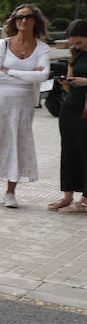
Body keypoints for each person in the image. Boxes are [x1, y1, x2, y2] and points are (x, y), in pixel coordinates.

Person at [0, 4, 51, 208]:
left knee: (17, 142)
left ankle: (10, 192)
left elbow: (43, 76)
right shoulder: (2, 44)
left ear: (36, 21)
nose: (23, 21)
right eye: (19, 17)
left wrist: (10, 72)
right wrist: (28, 76)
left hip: (23, 104)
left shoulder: (42, 48)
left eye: (28, 17)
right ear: (14, 21)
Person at [48, 19, 87, 213]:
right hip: (71, 109)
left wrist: (85, 81)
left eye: (79, 42)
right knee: (69, 151)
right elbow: (71, 85)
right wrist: (67, 83)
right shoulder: (76, 54)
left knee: (85, 152)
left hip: (86, 110)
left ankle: (85, 200)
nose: (75, 46)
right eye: (72, 43)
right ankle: (67, 195)